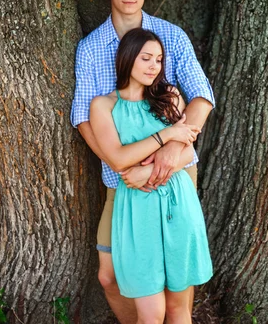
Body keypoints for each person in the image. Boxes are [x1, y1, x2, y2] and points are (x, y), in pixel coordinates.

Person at [71, 0, 214, 324]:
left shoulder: (171, 36)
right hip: (121, 182)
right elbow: (83, 118)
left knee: (173, 286)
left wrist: (167, 156)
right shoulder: (90, 48)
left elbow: (201, 98)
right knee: (111, 275)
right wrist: (121, 164)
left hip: (175, 173)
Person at [89, 28, 213, 324]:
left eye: (158, 60)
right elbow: (117, 157)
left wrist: (146, 168)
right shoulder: (104, 106)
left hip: (178, 205)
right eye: (146, 58)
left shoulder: (169, 97)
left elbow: (186, 153)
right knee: (150, 314)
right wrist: (168, 133)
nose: (154, 66)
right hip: (137, 212)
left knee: (177, 309)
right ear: (127, 59)